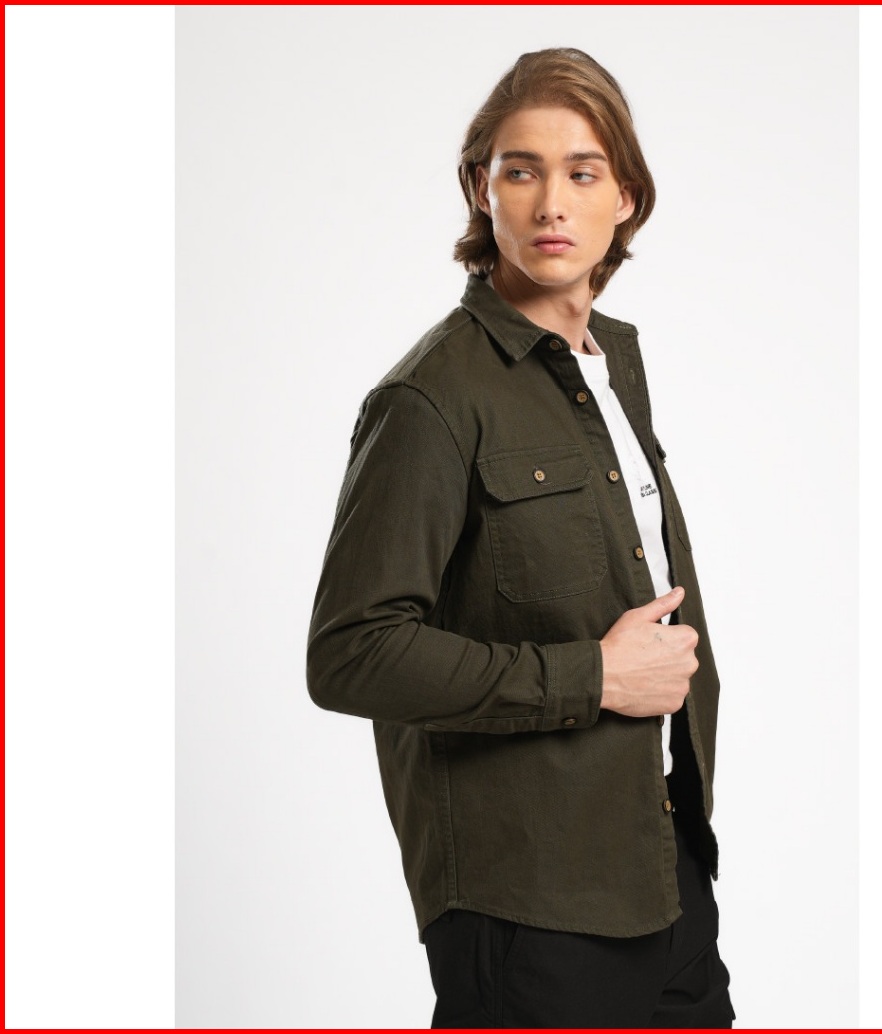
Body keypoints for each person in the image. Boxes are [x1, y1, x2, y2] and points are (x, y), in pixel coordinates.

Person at [307, 47, 734, 1029]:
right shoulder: (430, 397)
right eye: (520, 170)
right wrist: (592, 675)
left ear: (625, 197)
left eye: (581, 172)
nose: (550, 203)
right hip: (528, 903)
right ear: (479, 188)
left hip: (660, 865)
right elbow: (351, 652)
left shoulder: (609, 366)